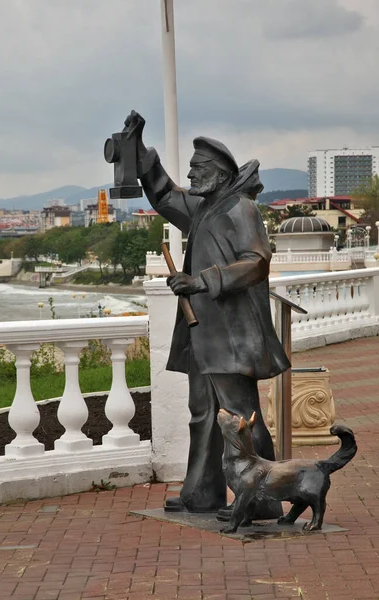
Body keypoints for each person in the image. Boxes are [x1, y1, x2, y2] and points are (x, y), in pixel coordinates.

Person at [125, 111, 290, 518]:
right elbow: (164, 194)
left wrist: (201, 281)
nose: (192, 175)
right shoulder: (203, 207)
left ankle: (264, 498)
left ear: (217, 172)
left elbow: (257, 263)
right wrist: (140, 149)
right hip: (204, 335)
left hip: (232, 335)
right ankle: (202, 492)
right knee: (202, 416)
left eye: (198, 169)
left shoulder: (240, 209)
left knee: (241, 417)